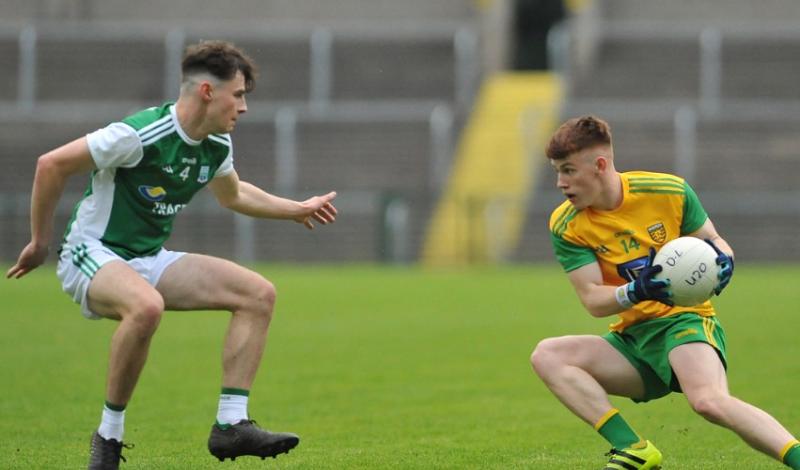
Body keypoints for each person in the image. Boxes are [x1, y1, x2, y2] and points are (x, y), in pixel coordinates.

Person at [6, 40, 338, 469]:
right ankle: (108, 438)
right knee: (146, 307)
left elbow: (233, 194)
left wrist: (297, 209)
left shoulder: (216, 144)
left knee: (258, 294)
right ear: (206, 92)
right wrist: (39, 242)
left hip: (147, 257)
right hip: (91, 252)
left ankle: (230, 427)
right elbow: (50, 164)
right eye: (237, 95)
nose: (244, 107)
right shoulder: (139, 134)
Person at [530, 115, 800, 469]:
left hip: (682, 323)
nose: (560, 183)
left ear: (599, 165)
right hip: (632, 340)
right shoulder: (566, 224)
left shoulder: (667, 191)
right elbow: (593, 300)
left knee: (708, 401)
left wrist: (724, 261)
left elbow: (715, 242)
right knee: (548, 355)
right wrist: (635, 291)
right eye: (557, 171)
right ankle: (634, 448)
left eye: (567, 170)